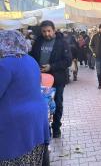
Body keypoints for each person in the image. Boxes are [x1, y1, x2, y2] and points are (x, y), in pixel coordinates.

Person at [0, 30, 50, 165]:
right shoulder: (31, 60)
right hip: (37, 119)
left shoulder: (4, 65)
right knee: (34, 159)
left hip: (16, 125)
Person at [31, 20, 72, 138]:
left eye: (49, 31)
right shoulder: (38, 42)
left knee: (58, 103)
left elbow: (68, 61)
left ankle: (56, 127)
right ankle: (45, 127)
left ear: (54, 30)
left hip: (58, 79)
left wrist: (51, 66)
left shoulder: (62, 43)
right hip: (40, 79)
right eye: (44, 31)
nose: (46, 34)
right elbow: (32, 57)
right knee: (42, 104)